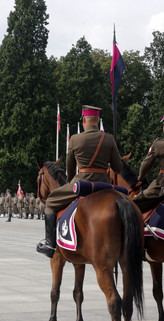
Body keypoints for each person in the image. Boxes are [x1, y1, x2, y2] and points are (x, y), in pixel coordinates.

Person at [37, 105, 122, 258]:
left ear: (84, 120)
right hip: (104, 185)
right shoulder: (108, 139)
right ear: (98, 120)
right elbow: (118, 167)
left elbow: (70, 167)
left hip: (81, 183)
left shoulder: (75, 139)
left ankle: (50, 243)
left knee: (50, 201)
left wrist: (71, 182)